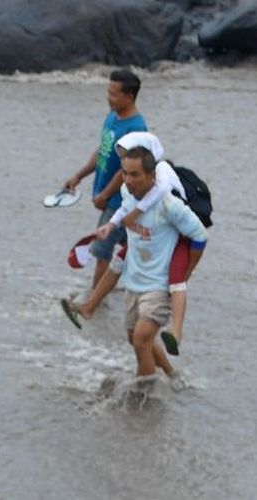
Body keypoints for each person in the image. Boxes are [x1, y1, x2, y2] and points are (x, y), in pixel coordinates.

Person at [61, 132, 199, 356]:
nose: (125, 170)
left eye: (129, 159)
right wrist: (113, 224)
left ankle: (175, 332)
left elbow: (153, 200)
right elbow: (129, 206)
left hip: (174, 235)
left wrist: (189, 268)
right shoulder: (135, 182)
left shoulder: (161, 176)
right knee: (117, 263)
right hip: (148, 232)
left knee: (176, 282)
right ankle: (90, 306)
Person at [116, 146, 207, 376]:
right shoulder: (126, 195)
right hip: (134, 282)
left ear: (151, 176)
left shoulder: (169, 205)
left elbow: (200, 236)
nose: (128, 180)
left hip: (159, 285)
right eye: (125, 173)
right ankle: (171, 375)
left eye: (134, 174)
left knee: (140, 339)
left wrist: (187, 272)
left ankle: (143, 397)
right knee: (134, 338)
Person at [64, 69, 147, 289]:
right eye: (108, 92)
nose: (108, 98)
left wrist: (105, 194)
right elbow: (103, 150)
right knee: (132, 245)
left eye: (113, 94)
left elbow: (126, 170)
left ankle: (94, 302)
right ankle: (144, 283)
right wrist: (79, 175)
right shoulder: (112, 117)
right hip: (109, 196)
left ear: (129, 97)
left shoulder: (136, 128)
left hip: (121, 200)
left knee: (102, 249)